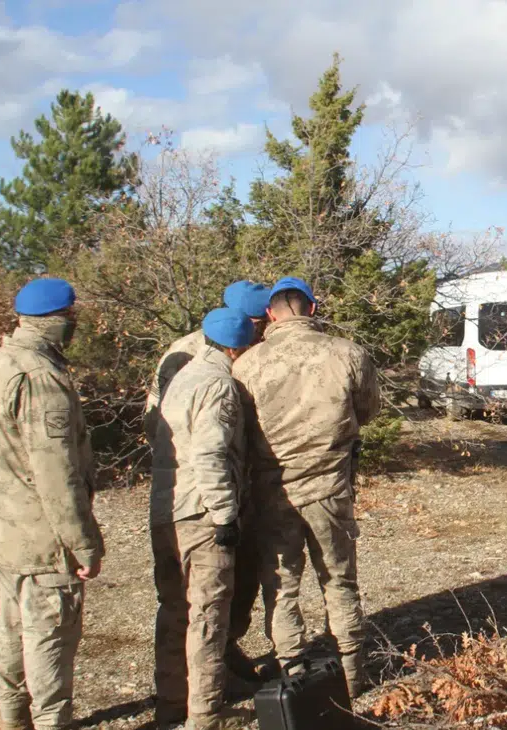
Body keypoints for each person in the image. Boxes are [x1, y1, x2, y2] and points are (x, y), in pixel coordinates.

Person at [231, 276, 381, 697]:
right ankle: (352, 675)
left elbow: (237, 432)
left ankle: (293, 676)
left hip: (272, 493)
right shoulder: (348, 353)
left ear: (270, 315)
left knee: (281, 589)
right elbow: (367, 410)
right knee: (339, 581)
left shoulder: (246, 365)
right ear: (312, 309)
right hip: (331, 489)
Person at [0, 277, 105, 730]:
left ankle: (11, 717)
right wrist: (83, 542)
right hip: (42, 536)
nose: (75, 323)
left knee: (11, 627)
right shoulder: (39, 378)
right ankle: (53, 722)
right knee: (50, 633)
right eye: (71, 315)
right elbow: (56, 473)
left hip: (4, 528)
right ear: (58, 320)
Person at [149, 307, 256, 730]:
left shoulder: (182, 377)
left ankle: (170, 705)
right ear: (236, 347)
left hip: (165, 509)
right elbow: (210, 452)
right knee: (209, 616)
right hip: (200, 514)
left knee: (173, 612)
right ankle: (206, 715)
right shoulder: (219, 384)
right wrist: (225, 514)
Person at [143, 280, 271, 445]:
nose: (262, 332)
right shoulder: (185, 351)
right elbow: (156, 415)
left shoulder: (254, 348)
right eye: (259, 325)